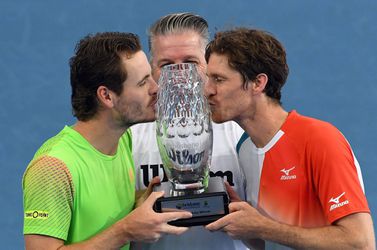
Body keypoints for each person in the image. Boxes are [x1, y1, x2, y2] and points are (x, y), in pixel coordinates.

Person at [203, 27, 375, 249]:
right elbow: (270, 240)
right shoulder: (245, 148)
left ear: (258, 83)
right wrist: (246, 224)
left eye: (219, 79)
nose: (207, 90)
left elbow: (360, 243)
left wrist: (262, 227)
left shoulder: (320, 139)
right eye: (208, 78)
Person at [22, 32, 193, 250]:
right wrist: (125, 231)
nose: (156, 88)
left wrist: (141, 205)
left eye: (151, 76)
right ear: (107, 96)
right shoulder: (53, 168)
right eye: (142, 83)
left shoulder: (123, 141)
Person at [131, 13, 247, 250]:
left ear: (209, 65)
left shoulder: (241, 133)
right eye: (166, 65)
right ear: (152, 69)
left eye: (190, 63)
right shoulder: (128, 137)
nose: (180, 75)